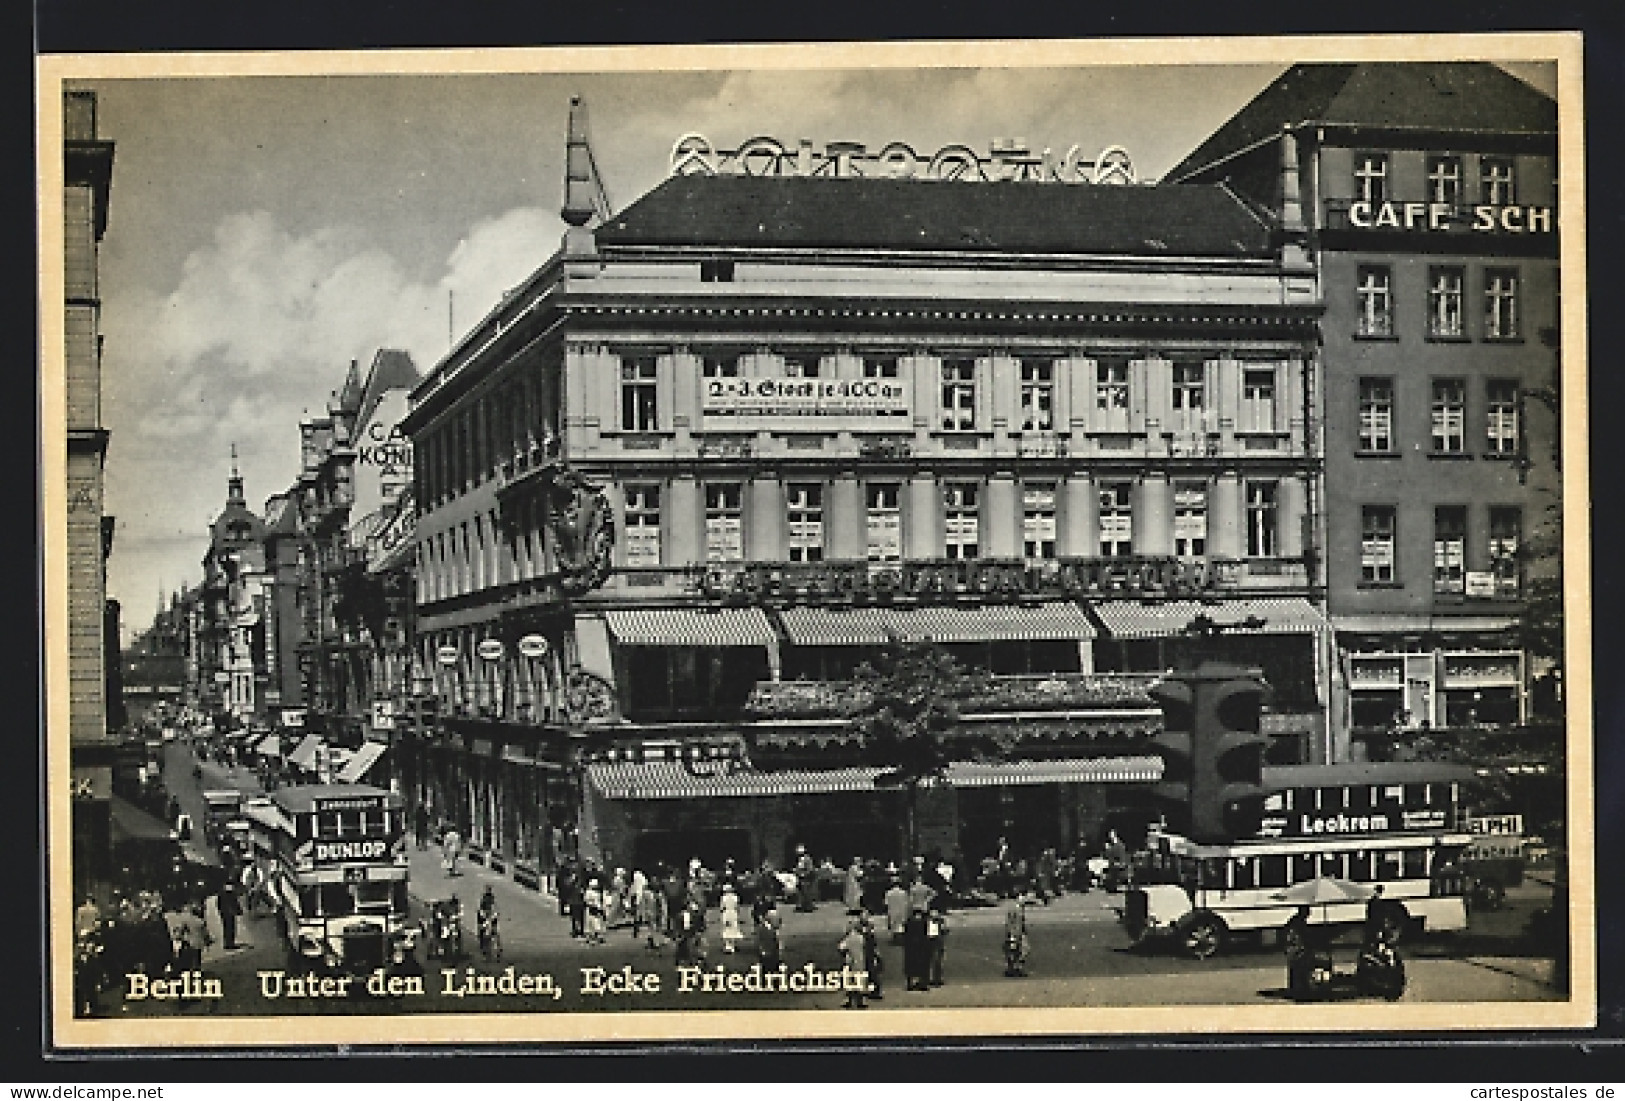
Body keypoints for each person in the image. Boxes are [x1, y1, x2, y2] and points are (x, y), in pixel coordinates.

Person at [838, 913, 868, 1009]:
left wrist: (845, 954)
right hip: (860, 960)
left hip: (850, 961)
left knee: (850, 981)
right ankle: (860, 1001)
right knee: (860, 980)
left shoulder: (848, 939)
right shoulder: (861, 938)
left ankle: (850, 1001)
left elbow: (841, 948)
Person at [902, 906, 931, 991]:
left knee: (910, 966)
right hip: (921, 947)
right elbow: (926, 934)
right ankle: (922, 983)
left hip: (910, 947)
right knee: (922, 966)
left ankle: (910, 984)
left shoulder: (909, 922)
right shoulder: (923, 922)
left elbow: (905, 935)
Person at [1004, 895, 1031, 977]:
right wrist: (1012, 933)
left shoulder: (1019, 909)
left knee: (1022, 950)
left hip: (1019, 933)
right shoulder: (1015, 909)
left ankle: (1015, 968)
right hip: (1015, 933)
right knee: (1016, 950)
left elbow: (1020, 923)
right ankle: (1015, 969)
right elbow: (1011, 922)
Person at [926, 896, 949, 987]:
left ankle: (930, 977)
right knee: (938, 959)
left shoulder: (928, 918)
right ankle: (937, 978)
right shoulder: (940, 919)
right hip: (938, 940)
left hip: (929, 939)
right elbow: (944, 929)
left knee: (930, 959)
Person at [756, 897, 782, 970]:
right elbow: (779, 922)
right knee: (775, 944)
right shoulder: (776, 913)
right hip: (775, 930)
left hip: (769, 932)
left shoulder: (768, 915)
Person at [216, 882, 242, 950]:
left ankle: (228, 943)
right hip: (229, 913)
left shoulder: (222, 894)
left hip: (225, 913)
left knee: (227, 928)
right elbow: (234, 902)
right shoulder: (229, 894)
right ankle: (230, 943)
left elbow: (219, 904)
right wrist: (238, 910)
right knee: (230, 927)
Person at [719, 882, 743, 953]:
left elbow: (721, 907)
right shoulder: (735, 897)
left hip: (726, 913)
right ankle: (732, 946)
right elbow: (737, 907)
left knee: (727, 928)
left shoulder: (723, 898)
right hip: (733, 913)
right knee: (733, 929)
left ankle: (727, 946)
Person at [884, 875, 909, 942]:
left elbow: (886, 903)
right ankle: (900, 938)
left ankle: (895, 938)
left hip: (892, 910)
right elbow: (906, 902)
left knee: (894, 925)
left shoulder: (889, 893)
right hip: (902, 910)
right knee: (901, 924)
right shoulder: (903, 892)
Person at [477, 886, 499, 959]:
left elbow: (494, 907)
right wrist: (482, 913)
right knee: (482, 928)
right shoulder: (484, 898)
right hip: (485, 914)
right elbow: (481, 907)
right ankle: (482, 942)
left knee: (494, 930)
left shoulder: (492, 898)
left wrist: (494, 914)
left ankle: (495, 944)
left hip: (490, 915)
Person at [583, 878, 606, 945]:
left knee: (596, 922)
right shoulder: (588, 892)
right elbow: (587, 901)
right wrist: (592, 904)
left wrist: (600, 907)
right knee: (590, 922)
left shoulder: (597, 892)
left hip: (596, 909)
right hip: (591, 909)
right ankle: (590, 937)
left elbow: (599, 901)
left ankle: (597, 936)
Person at [794, 846, 817, 912]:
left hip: (807, 878)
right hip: (800, 877)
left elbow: (810, 869)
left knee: (807, 892)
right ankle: (802, 905)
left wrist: (804, 874)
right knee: (801, 892)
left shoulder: (807, 859)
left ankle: (808, 907)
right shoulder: (800, 860)